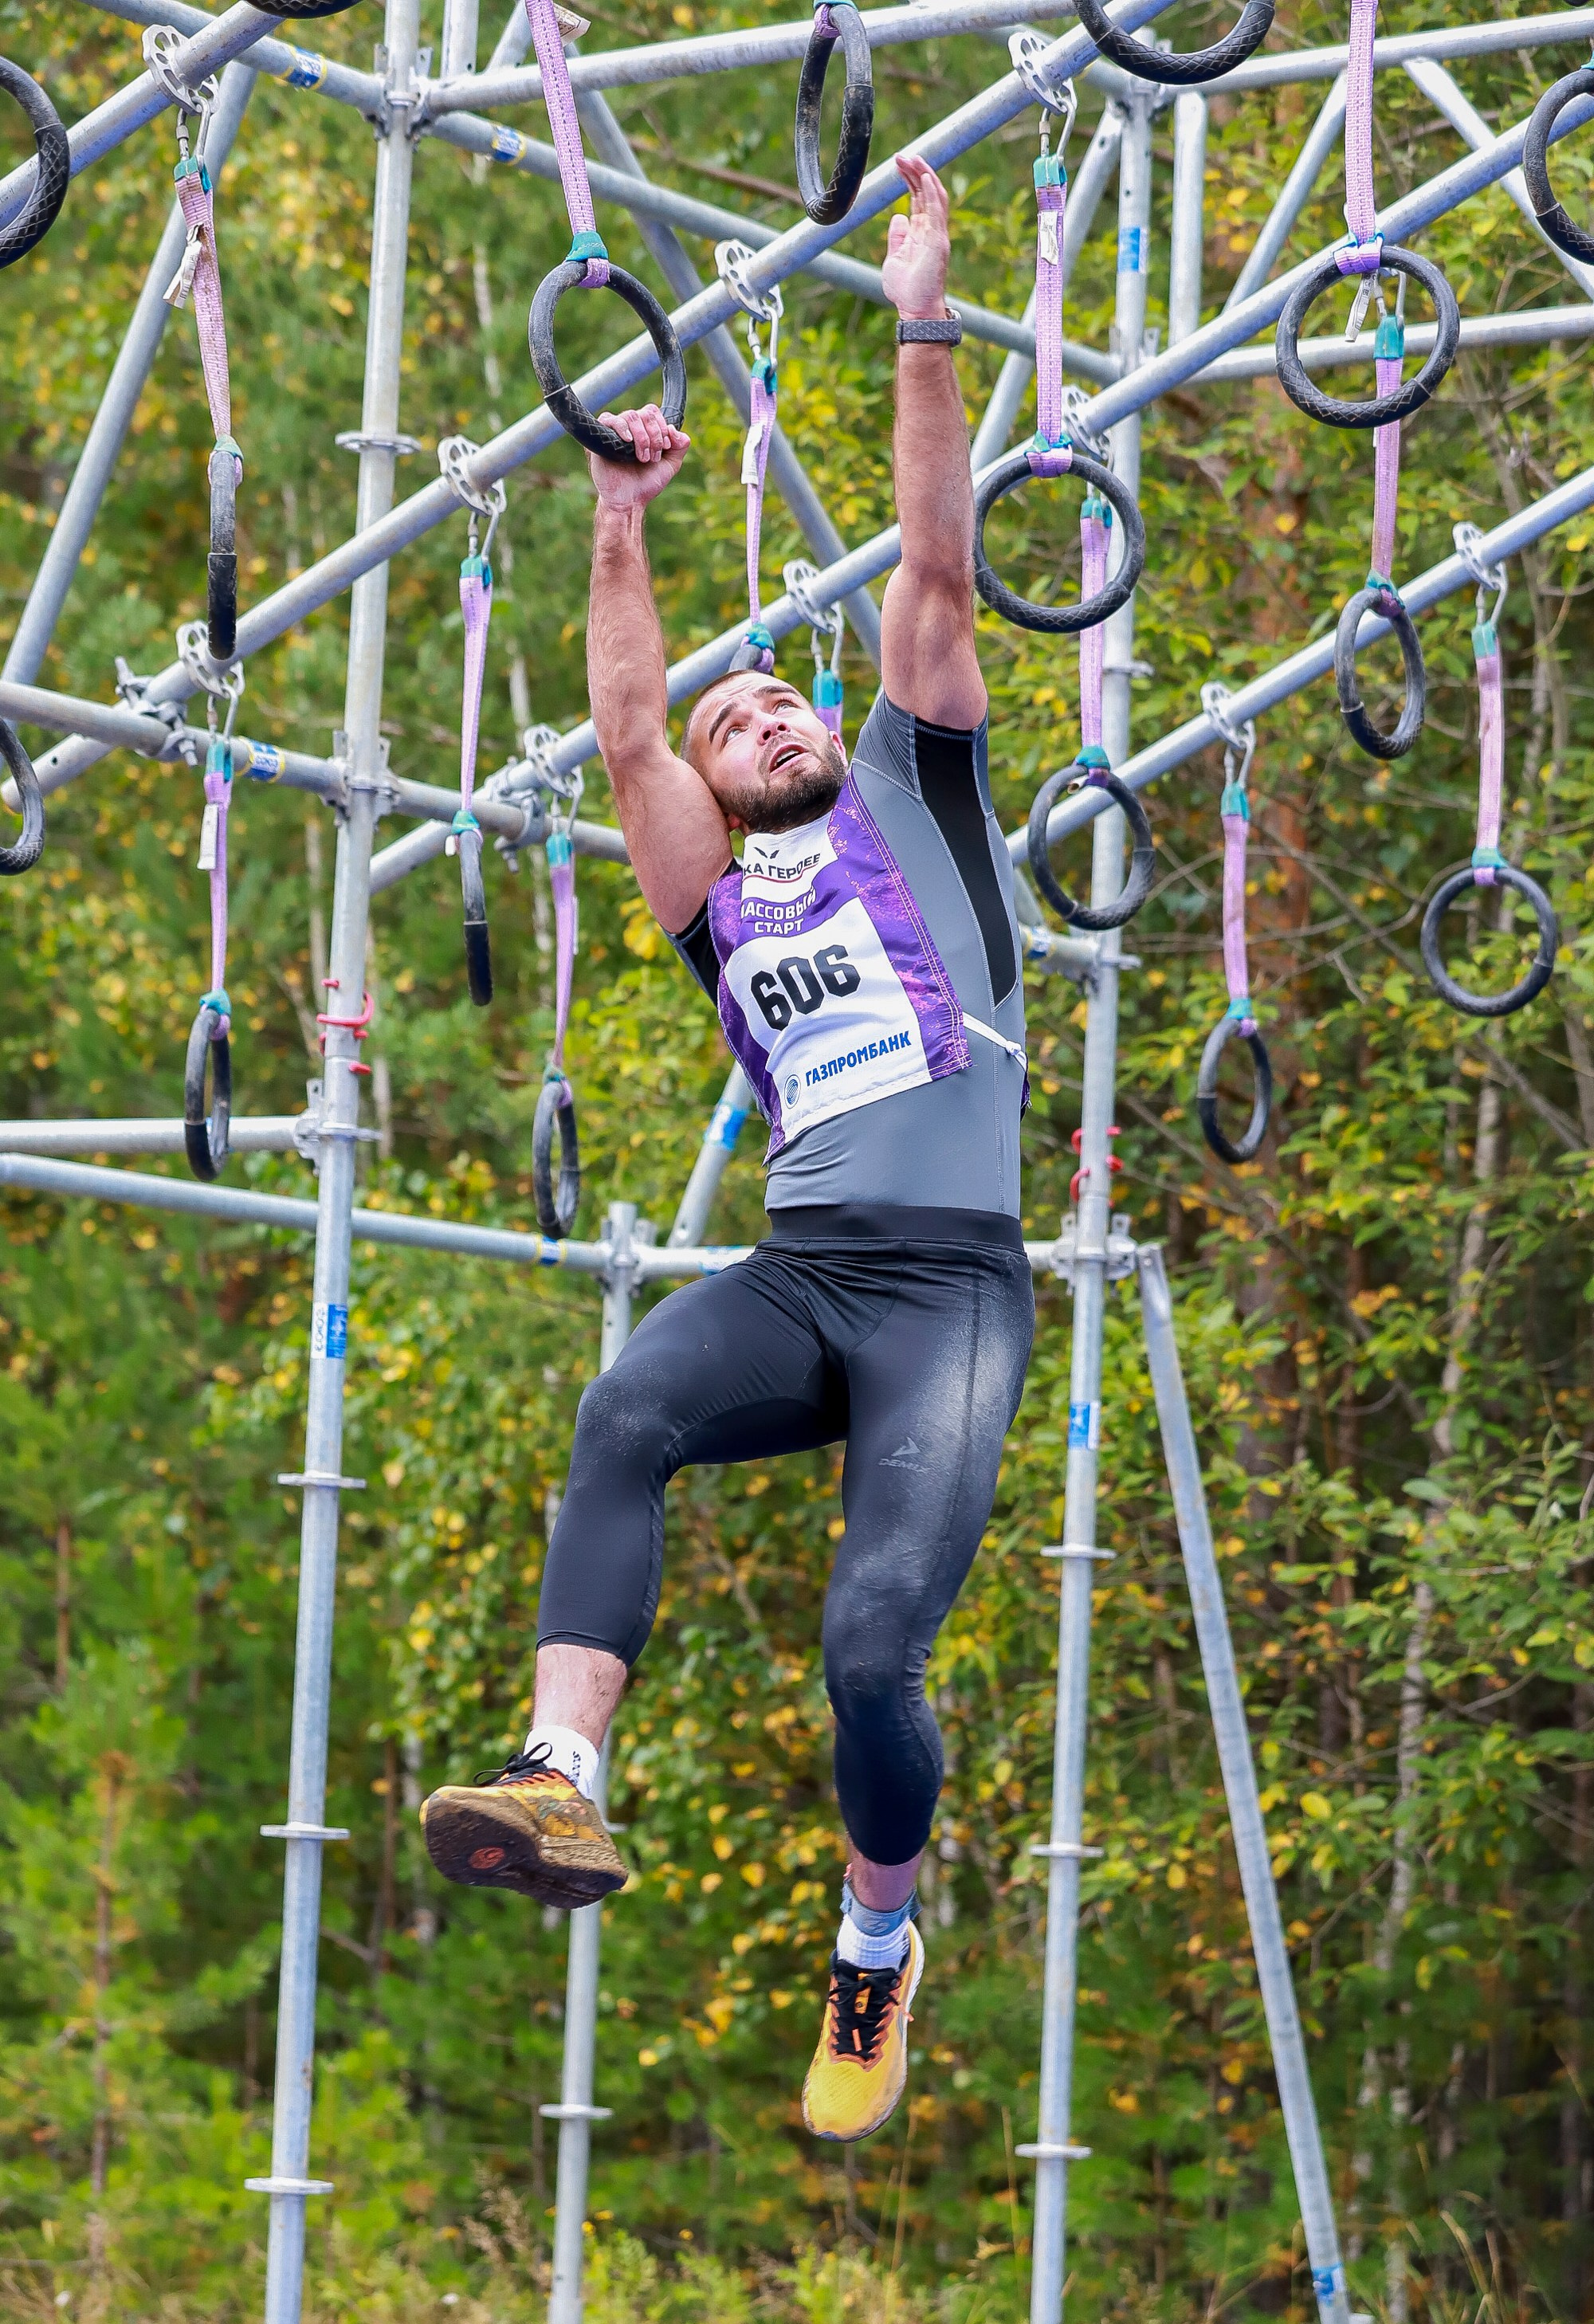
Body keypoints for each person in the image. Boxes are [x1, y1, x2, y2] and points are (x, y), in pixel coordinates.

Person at [422, 154, 1033, 2144]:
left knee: (870, 1648)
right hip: (802, 1276)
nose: (764, 715)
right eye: (736, 716)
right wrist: (618, 513)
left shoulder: (922, 794)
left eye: (786, 701)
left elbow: (931, 569)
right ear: (710, 786)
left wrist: (922, 320)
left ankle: (874, 1943)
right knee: (622, 1409)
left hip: (946, 1292)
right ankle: (560, 1775)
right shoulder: (718, 900)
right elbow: (625, 733)